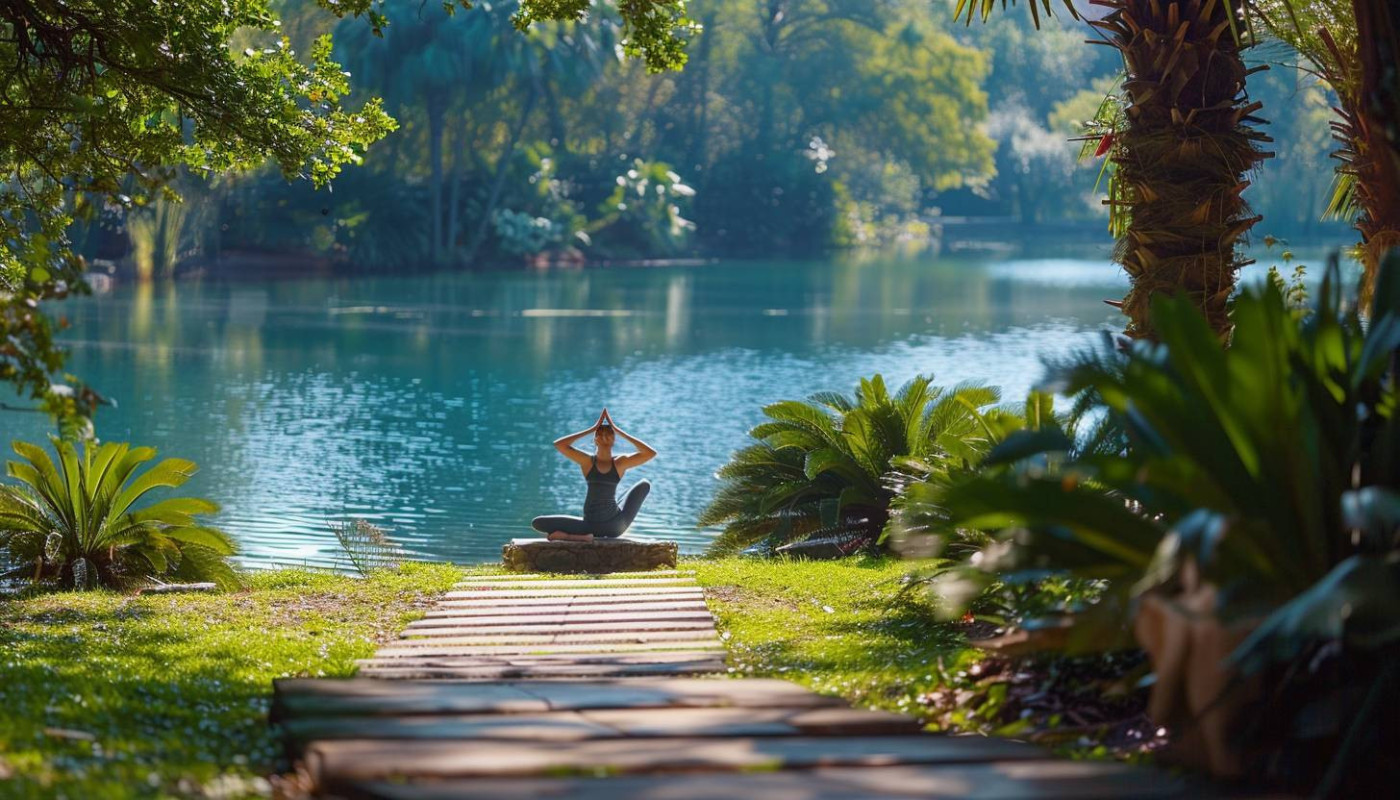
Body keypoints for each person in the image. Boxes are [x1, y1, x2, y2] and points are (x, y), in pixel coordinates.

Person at [531, 408, 655, 542]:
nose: (605, 437)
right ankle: (579, 537)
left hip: (591, 526)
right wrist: (597, 429)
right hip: (612, 528)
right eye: (600, 433)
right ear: (595, 440)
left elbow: (651, 453)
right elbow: (559, 445)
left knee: (641, 486)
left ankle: (575, 537)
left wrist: (611, 431)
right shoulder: (616, 463)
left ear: (613, 439)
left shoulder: (591, 462)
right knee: (537, 522)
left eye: (609, 434)